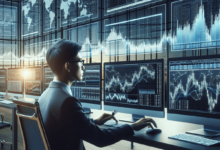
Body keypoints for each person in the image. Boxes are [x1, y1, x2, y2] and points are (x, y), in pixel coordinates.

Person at [38, 39, 157, 150]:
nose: (83, 67)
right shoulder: (67, 102)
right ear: (68, 66)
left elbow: (66, 126)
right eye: (80, 62)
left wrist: (93, 122)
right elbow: (100, 138)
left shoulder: (44, 95)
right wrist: (132, 127)